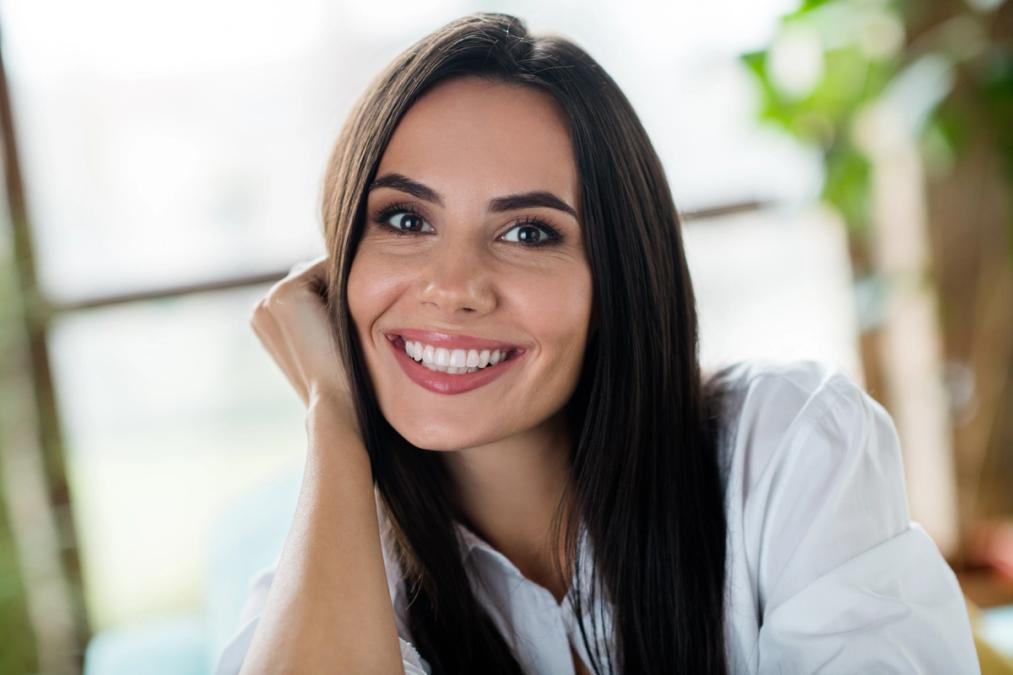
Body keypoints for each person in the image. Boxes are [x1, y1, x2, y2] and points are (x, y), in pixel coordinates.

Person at [215, 12, 980, 675]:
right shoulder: (327, 589)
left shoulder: (782, 450)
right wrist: (334, 419)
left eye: (527, 231)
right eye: (406, 220)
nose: (453, 286)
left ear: (618, 272)